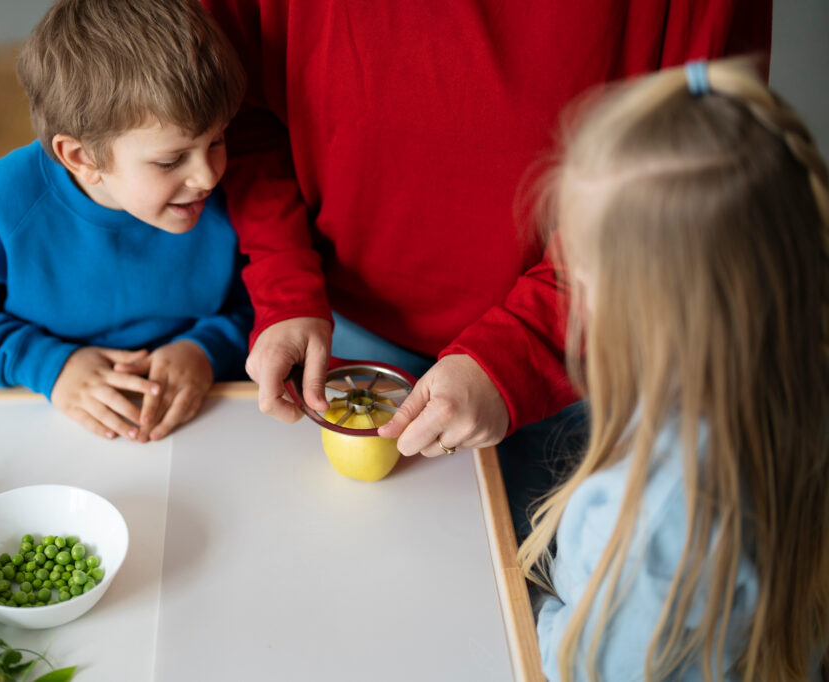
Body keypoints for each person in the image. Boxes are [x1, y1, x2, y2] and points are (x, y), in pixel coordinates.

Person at [200, 2, 772, 526]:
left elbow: (693, 169)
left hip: (591, 347)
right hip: (345, 331)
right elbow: (238, 110)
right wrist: (285, 282)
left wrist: (523, 349)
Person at [517, 59, 829, 680]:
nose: (572, 288)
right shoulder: (794, 386)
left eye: (583, 274)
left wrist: (525, 612)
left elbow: (582, 669)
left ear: (657, 311)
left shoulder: (659, 516)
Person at [0, 0, 252, 442]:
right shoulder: (5, 199)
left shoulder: (232, 188)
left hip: (200, 415)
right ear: (82, 158)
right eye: (171, 160)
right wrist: (48, 364)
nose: (207, 175)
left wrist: (206, 349)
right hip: (47, 415)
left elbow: (261, 299)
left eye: (217, 139)